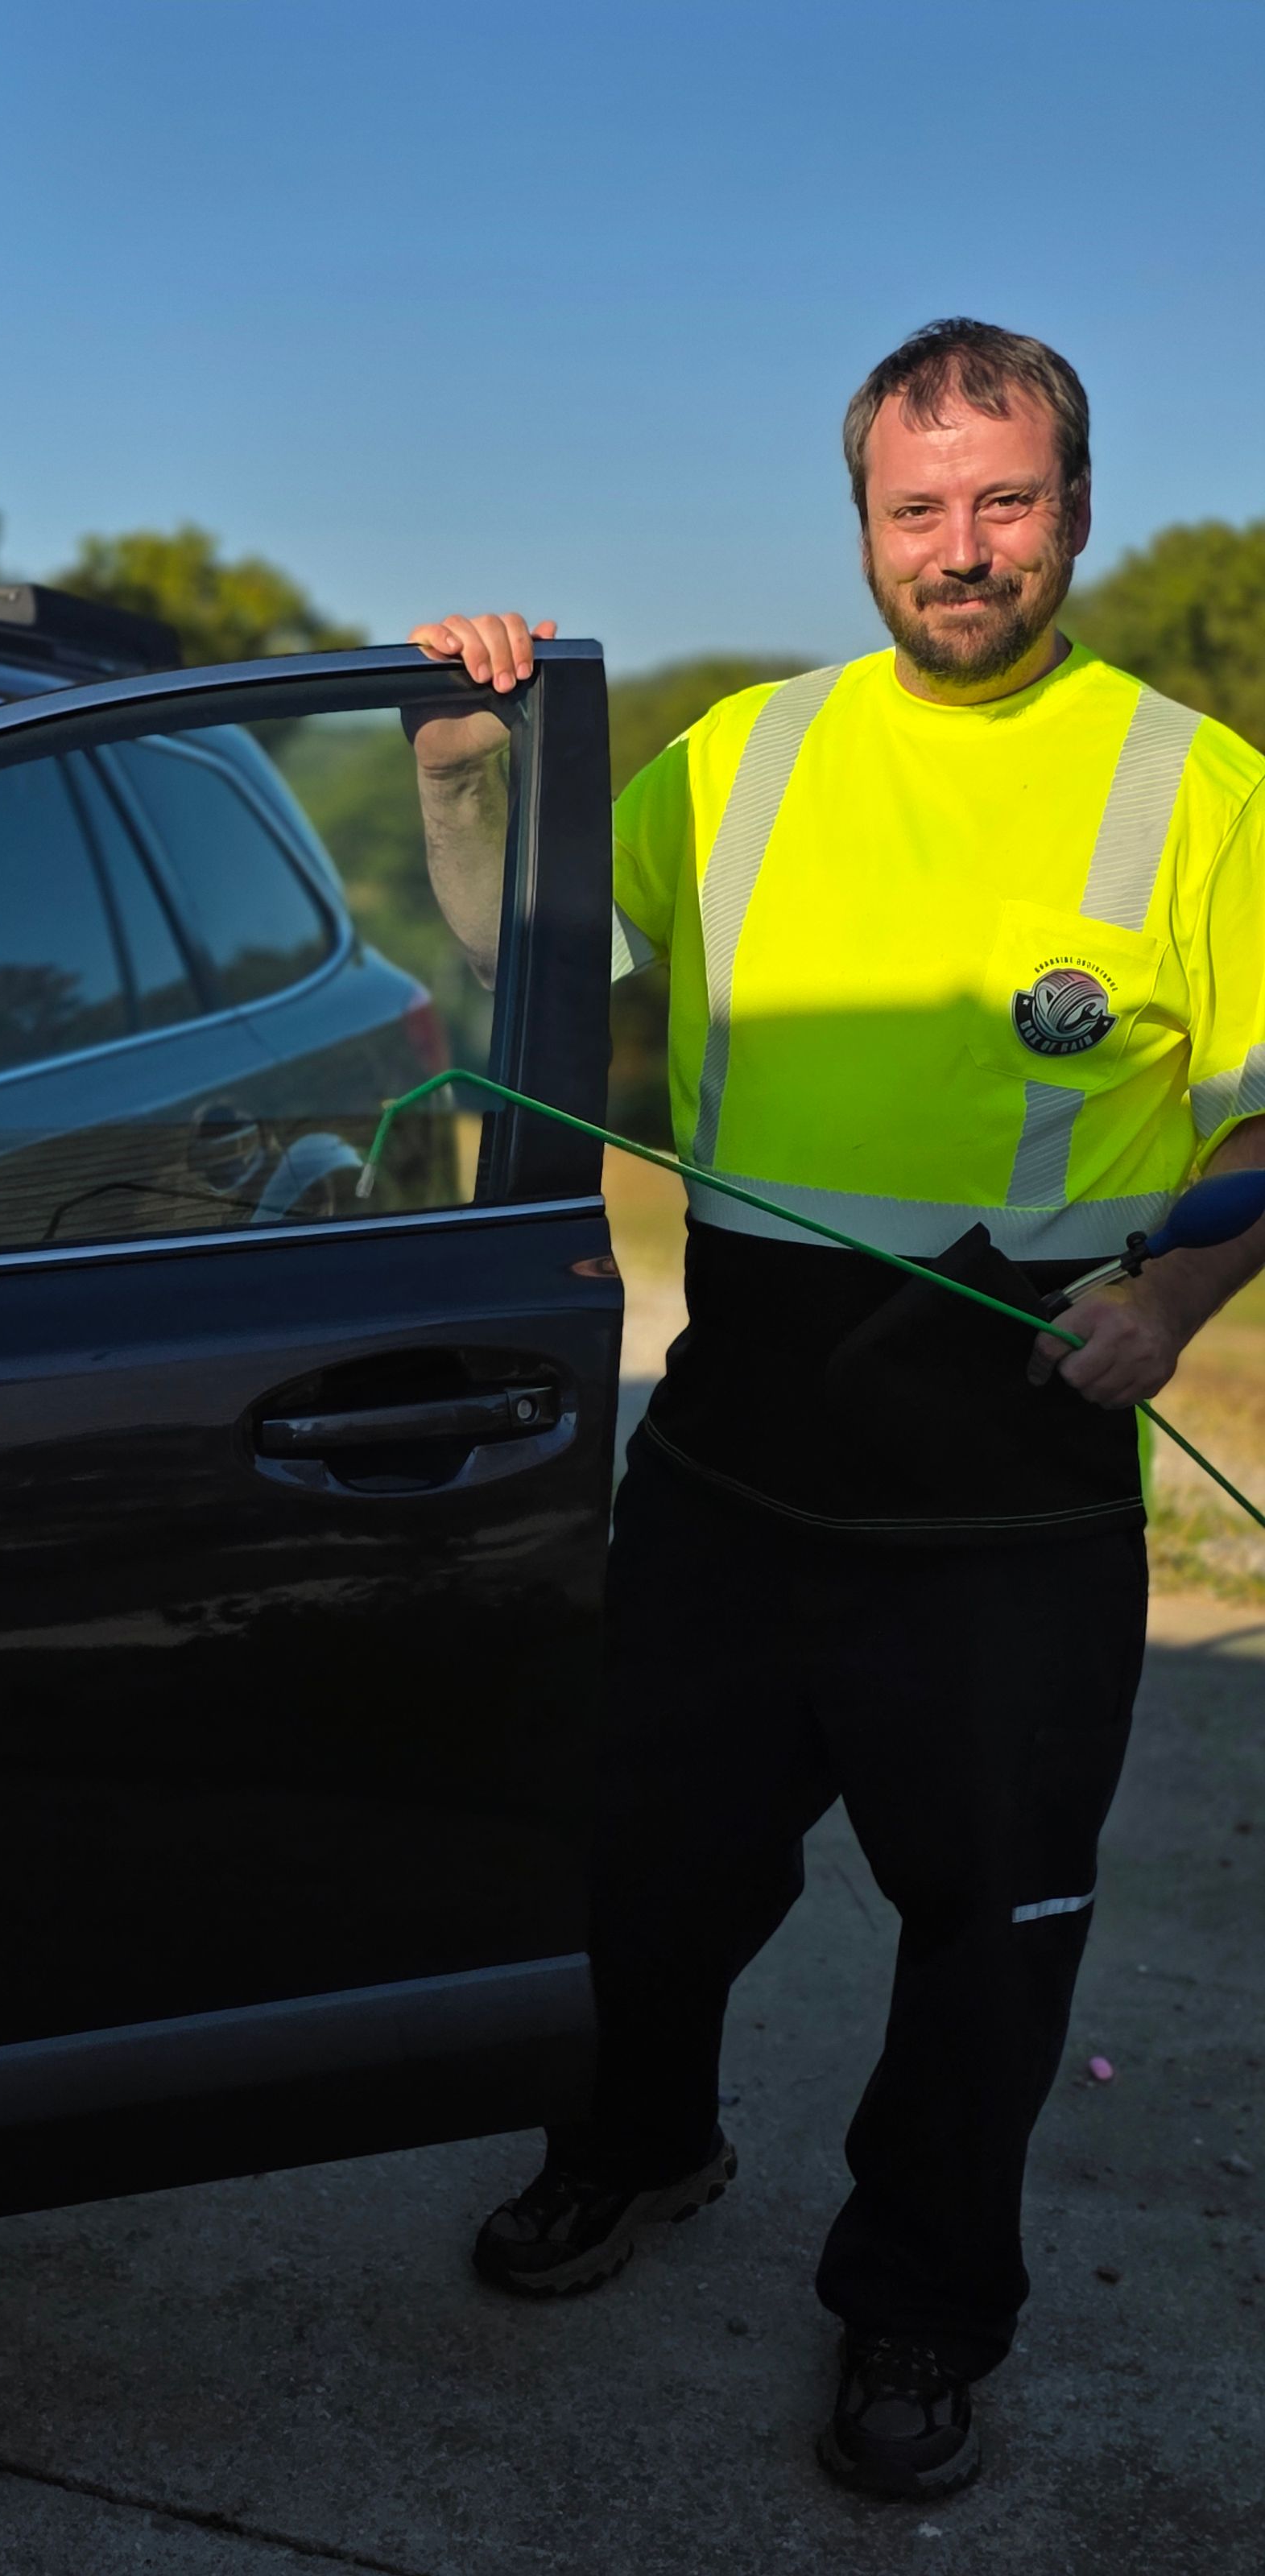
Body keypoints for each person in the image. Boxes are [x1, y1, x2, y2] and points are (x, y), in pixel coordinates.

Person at [407, 316, 1265, 2501]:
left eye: (1003, 501)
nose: (959, 548)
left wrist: (1172, 1301)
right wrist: (453, 767)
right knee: (648, 1873)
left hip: (1019, 1485)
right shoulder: (732, 763)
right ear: (862, 522)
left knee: (988, 1950)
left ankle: (916, 2312)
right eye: (918, 506)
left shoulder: (1202, 786)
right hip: (736, 1453)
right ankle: (635, 2149)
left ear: (1075, 509)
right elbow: (524, 1001)